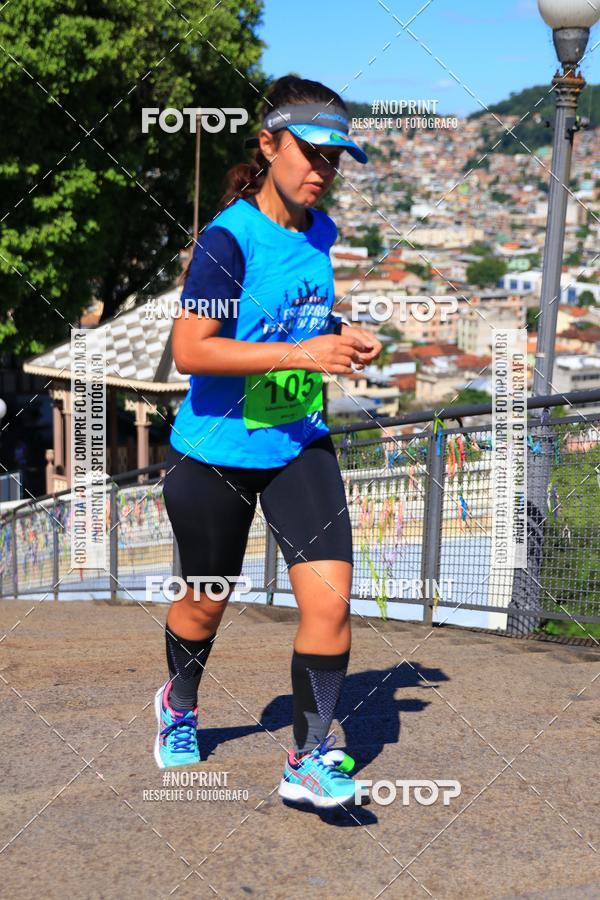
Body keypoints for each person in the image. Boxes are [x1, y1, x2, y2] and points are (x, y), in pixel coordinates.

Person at [155, 74, 381, 809]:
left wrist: (340, 336)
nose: (322, 169)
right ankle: (179, 705)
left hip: (296, 441)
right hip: (217, 452)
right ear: (268, 144)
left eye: (335, 158)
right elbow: (193, 349)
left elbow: (299, 321)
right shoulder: (228, 240)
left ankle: (310, 758)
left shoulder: (321, 234)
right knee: (204, 603)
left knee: (332, 601)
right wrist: (303, 356)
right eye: (310, 152)